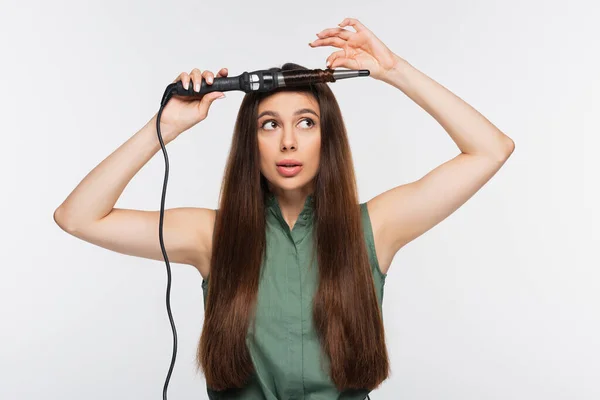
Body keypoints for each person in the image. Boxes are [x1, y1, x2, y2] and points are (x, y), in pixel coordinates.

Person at [54, 17, 514, 400]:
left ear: (326, 137)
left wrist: (394, 71)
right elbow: (78, 217)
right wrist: (166, 126)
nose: (288, 141)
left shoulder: (375, 227)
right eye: (269, 124)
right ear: (249, 142)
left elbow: (490, 149)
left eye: (306, 123)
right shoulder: (210, 236)